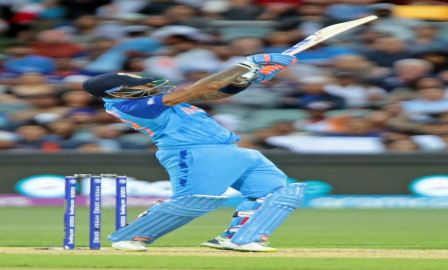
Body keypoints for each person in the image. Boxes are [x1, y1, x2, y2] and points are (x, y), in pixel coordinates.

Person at [82, 53, 305, 252]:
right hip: (192, 152)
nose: (149, 85)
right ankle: (130, 237)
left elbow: (212, 95)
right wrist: (247, 64)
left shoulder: (150, 100)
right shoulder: (131, 106)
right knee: (195, 200)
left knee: (277, 192)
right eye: (141, 85)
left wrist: (244, 80)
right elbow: (198, 89)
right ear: (118, 93)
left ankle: (240, 238)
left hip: (231, 149)